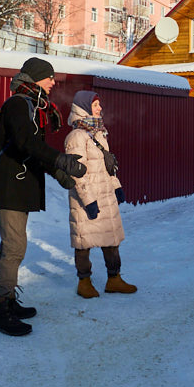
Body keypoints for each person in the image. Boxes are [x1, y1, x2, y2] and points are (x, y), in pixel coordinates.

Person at [0, 57, 86, 336]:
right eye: (49, 77)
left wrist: (58, 171)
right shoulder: (18, 104)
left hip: (18, 186)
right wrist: (62, 160)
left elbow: (32, 150)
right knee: (14, 248)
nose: (53, 82)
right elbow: (25, 143)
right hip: (9, 187)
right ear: (36, 77)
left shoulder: (31, 106)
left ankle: (8, 301)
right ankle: (1, 312)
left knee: (14, 246)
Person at [65, 89, 137, 298]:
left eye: (99, 105)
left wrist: (117, 186)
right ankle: (84, 282)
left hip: (106, 196)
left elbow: (108, 166)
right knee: (84, 241)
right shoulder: (76, 137)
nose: (100, 108)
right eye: (96, 105)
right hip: (86, 198)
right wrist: (88, 201)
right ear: (84, 108)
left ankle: (114, 279)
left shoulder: (99, 134)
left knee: (111, 239)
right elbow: (77, 174)